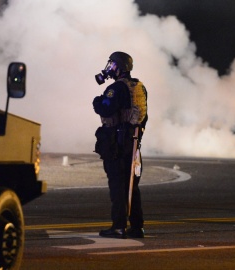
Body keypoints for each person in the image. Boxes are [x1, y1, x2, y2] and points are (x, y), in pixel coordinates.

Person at [93, 51, 148, 239]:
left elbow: (105, 107)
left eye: (112, 64)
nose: (109, 68)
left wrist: (97, 100)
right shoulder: (139, 87)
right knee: (132, 186)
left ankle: (118, 226)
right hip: (133, 144)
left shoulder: (116, 88)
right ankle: (137, 226)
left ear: (118, 66)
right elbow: (144, 117)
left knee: (117, 185)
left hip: (117, 144)